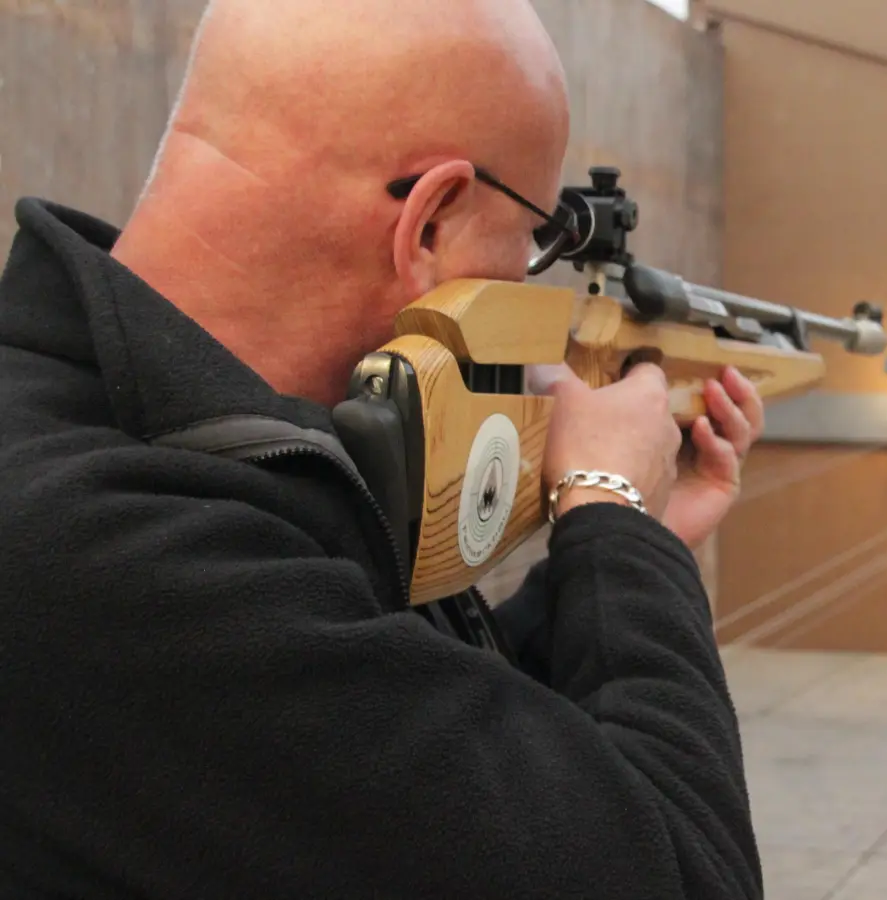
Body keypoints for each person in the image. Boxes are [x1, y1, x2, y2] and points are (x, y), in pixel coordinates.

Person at [0, 0, 764, 897]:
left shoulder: (159, 447)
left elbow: (429, 743)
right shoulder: (113, 550)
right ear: (431, 222)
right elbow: (679, 875)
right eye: (534, 236)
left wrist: (629, 557)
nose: (525, 276)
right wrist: (607, 502)